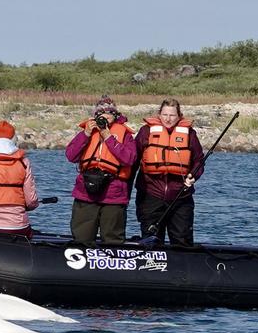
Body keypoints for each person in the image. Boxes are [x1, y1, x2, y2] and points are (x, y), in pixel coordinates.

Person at [64, 95, 137, 245]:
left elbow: (130, 159)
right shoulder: (88, 132)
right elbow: (71, 156)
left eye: (109, 113)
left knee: (113, 239)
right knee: (82, 237)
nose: (105, 116)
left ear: (115, 115)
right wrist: (85, 135)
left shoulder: (125, 135)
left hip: (114, 193)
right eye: (101, 113)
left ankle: (113, 263)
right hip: (86, 192)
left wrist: (108, 137)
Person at [133, 99, 205, 245]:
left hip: (181, 196)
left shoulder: (190, 134)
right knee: (151, 240)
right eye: (165, 114)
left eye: (172, 115)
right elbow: (133, 160)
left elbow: (199, 160)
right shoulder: (146, 132)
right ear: (159, 114)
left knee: (182, 240)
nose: (168, 118)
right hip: (150, 195)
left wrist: (193, 176)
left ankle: (184, 266)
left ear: (179, 116)